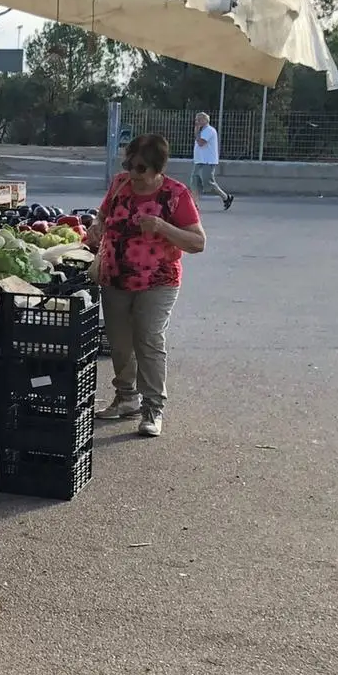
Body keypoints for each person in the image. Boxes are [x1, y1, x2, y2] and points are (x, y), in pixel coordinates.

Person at [87, 133, 207, 437]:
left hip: (158, 281)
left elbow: (197, 242)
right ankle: (126, 398)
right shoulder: (119, 184)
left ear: (157, 168)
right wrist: (96, 226)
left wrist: (163, 227)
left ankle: (153, 408)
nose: (134, 174)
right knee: (120, 341)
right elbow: (101, 215)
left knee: (149, 340)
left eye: (141, 168)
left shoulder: (175, 195)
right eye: (130, 165)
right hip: (114, 277)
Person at [192, 111, 234, 210]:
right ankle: (195, 205)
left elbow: (201, 143)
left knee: (208, 184)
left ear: (205, 120)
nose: (197, 121)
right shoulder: (202, 131)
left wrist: (197, 131)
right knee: (194, 183)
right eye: (196, 119)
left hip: (208, 162)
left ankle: (226, 197)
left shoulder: (209, 130)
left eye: (199, 119)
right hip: (199, 161)